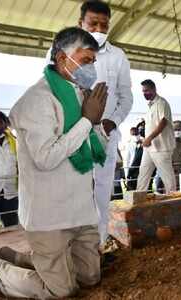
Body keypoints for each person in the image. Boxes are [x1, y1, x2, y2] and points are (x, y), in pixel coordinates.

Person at [0, 27, 107, 299]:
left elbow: (92, 147)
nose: (91, 68)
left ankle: (17, 257)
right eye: (85, 60)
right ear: (61, 58)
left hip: (81, 210)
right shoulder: (36, 99)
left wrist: (100, 127)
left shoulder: (81, 95)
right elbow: (46, 158)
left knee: (90, 278)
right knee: (61, 291)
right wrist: (87, 121)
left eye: (93, 61)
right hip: (49, 215)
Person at [46, 1, 133, 245]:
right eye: (93, 23)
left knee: (101, 191)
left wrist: (111, 123)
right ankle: (69, 246)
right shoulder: (60, 51)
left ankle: (98, 246)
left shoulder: (118, 56)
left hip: (104, 133)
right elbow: (51, 90)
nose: (99, 29)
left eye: (104, 25)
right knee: (70, 190)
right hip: (71, 133)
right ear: (80, 24)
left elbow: (126, 97)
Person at [136, 79, 176, 193]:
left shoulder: (162, 103)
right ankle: (139, 199)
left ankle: (173, 201)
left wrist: (149, 138)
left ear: (154, 89)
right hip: (149, 148)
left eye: (147, 90)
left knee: (167, 178)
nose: (145, 93)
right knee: (143, 175)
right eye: (143, 91)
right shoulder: (150, 106)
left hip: (161, 148)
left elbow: (163, 122)